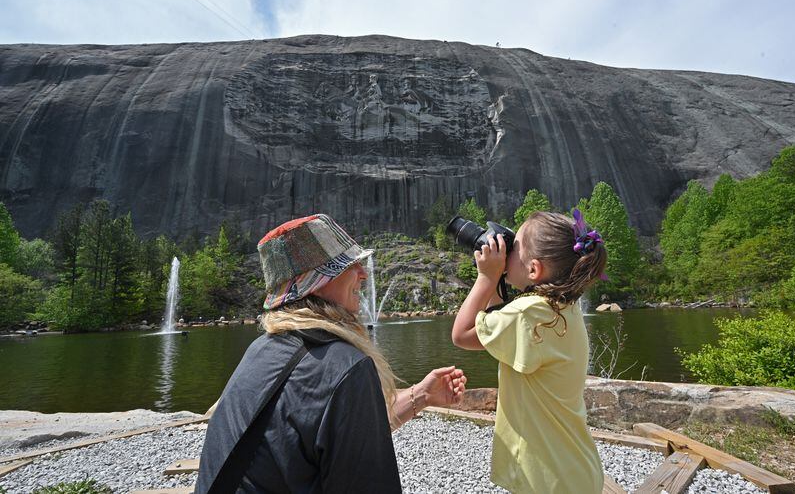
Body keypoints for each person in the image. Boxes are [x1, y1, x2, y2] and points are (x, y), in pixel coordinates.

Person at [197, 214, 467, 493]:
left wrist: (421, 395)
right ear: (317, 281)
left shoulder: (262, 349)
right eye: (349, 264)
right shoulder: (345, 367)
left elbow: (329, 436)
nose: (363, 273)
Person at [451, 209, 607, 493]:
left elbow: (462, 335)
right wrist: (498, 276)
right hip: (573, 469)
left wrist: (486, 277)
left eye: (514, 246)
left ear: (534, 270)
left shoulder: (527, 314)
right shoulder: (559, 308)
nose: (506, 250)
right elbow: (495, 317)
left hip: (547, 479)